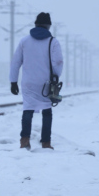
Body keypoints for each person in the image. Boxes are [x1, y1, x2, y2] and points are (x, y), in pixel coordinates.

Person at [9, 12, 64, 150]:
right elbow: (58, 62)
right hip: (46, 83)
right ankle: (46, 143)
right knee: (47, 111)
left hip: (28, 83)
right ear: (48, 26)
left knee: (27, 110)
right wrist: (55, 77)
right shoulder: (53, 41)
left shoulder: (24, 41)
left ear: (35, 24)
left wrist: (13, 81)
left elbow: (16, 62)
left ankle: (24, 141)